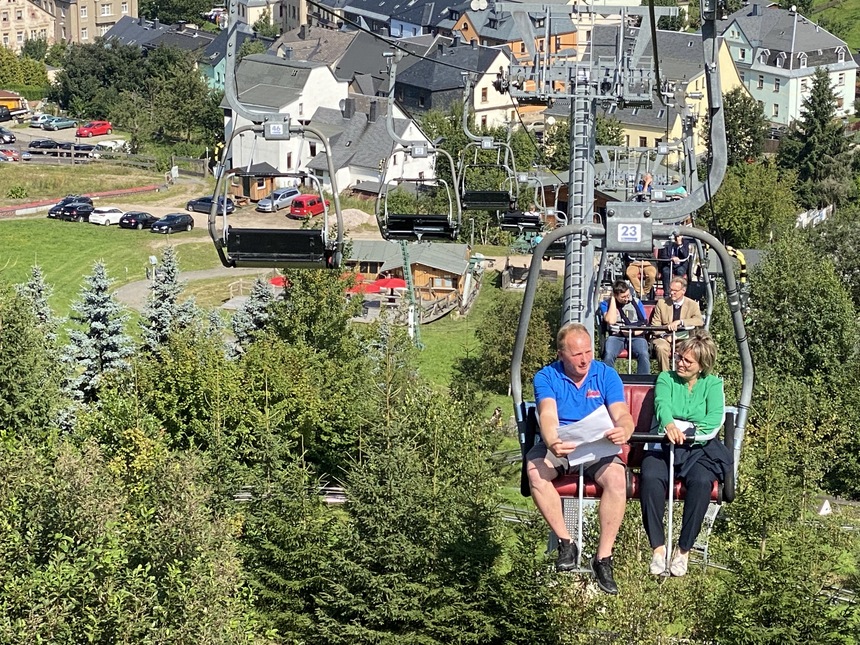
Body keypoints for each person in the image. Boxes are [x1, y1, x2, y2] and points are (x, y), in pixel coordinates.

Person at [528, 323, 635, 594]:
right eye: (576, 355)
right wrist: (552, 439)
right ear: (561, 354)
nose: (584, 359)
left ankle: (603, 557)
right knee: (535, 472)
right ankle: (566, 543)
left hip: (597, 445)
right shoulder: (546, 377)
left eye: (588, 352)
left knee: (617, 480)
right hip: (563, 442)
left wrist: (624, 429)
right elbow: (548, 414)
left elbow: (622, 413)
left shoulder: (605, 375)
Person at [639, 330, 729, 577]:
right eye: (679, 357)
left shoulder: (713, 384)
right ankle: (658, 548)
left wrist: (690, 432)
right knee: (650, 478)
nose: (680, 362)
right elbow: (662, 404)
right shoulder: (666, 378)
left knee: (701, 482)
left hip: (697, 447)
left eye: (687, 361)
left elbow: (714, 418)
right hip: (663, 443)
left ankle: (684, 549)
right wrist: (668, 424)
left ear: (702, 366)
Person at [649, 277, 704, 371]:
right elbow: (655, 325)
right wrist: (665, 336)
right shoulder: (662, 303)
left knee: (688, 349)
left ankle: (683, 375)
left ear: (683, 291)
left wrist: (681, 322)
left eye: (675, 290)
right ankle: (665, 376)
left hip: (683, 338)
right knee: (661, 348)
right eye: (671, 290)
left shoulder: (692, 304)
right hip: (664, 337)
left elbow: (699, 321)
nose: (672, 293)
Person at [599, 280, 650, 375]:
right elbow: (611, 321)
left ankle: (643, 379)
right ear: (615, 295)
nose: (626, 299)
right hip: (616, 336)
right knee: (609, 354)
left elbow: (644, 323)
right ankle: (607, 378)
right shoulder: (606, 304)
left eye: (628, 295)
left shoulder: (637, 302)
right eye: (623, 297)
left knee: (643, 353)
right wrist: (613, 301)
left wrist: (633, 332)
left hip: (636, 335)